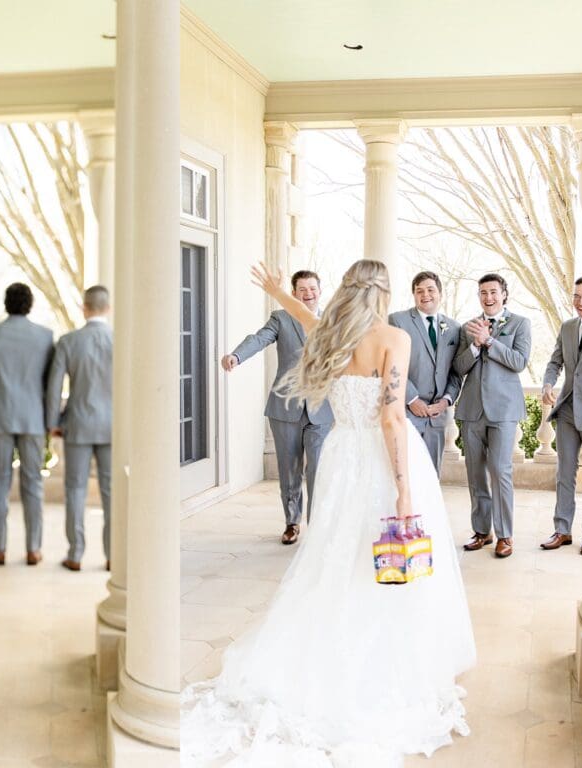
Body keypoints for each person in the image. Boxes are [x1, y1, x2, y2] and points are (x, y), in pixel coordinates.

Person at [183, 260, 475, 766]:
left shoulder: (332, 333)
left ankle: (330, 645)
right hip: (381, 462)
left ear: (345, 291)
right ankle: (383, 662)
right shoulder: (392, 338)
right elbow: (390, 416)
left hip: (341, 457)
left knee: (335, 556)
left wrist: (278, 291)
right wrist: (405, 489)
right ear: (383, 294)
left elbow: (303, 313)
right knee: (388, 561)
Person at [222, 269, 334, 545]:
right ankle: (292, 522)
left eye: (312, 288)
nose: (308, 293)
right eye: (302, 289)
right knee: (289, 468)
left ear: (320, 290)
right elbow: (259, 339)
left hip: (322, 407)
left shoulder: (332, 321)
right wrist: (237, 355)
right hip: (285, 407)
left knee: (318, 469)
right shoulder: (281, 318)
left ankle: (318, 525)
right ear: (293, 293)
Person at [453, 273, 531, 559]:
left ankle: (505, 535)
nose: (488, 297)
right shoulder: (467, 328)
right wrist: (474, 344)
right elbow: (459, 367)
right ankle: (481, 531)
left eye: (493, 292)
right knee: (475, 474)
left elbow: (519, 362)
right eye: (483, 292)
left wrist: (489, 342)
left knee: (500, 471)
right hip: (472, 410)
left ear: (504, 294)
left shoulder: (520, 324)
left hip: (504, 410)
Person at [0, 283, 55, 566]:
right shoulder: (45, 337)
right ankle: (33, 549)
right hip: (33, 418)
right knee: (33, 483)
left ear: (5, 303)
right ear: (30, 304)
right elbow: (50, 381)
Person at [45, 286, 112, 572]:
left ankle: (75, 554)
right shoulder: (120, 340)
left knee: (75, 489)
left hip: (77, 424)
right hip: (112, 427)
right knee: (112, 491)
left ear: (84, 308)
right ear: (107, 308)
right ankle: (113, 556)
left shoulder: (69, 341)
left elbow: (54, 387)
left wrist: (52, 422)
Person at [540, 276, 582, 556]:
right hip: (567, 409)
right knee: (564, 474)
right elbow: (555, 361)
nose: (581, 302)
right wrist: (547, 383)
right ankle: (562, 529)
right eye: (577, 296)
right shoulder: (567, 328)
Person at [388, 271, 462, 474]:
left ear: (440, 294)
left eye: (430, 290)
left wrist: (446, 401)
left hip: (437, 416)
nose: (425, 295)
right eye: (419, 291)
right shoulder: (397, 321)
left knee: (431, 475)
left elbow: (455, 372)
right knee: (405, 474)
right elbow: (390, 365)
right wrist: (411, 399)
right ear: (413, 295)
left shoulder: (454, 328)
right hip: (407, 412)